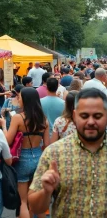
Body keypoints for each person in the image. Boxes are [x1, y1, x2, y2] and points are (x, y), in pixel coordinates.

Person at [28, 88, 107, 217]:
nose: (91, 122)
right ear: (75, 116)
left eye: (97, 116)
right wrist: (46, 192)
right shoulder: (54, 153)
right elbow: (35, 208)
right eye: (84, 116)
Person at [4, 88, 49, 218]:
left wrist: (2, 127)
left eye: (20, 97)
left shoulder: (18, 118)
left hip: (22, 158)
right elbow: (46, 144)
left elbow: (8, 140)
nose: (18, 99)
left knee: (22, 201)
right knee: (37, 202)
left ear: (26, 100)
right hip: (38, 158)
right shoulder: (44, 120)